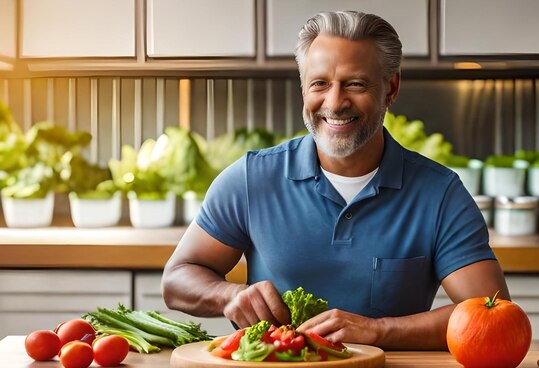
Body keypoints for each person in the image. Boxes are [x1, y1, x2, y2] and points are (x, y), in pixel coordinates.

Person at [162, 10, 509, 350]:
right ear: (303, 88)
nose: (335, 102)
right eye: (320, 84)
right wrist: (229, 295)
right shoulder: (251, 178)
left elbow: (492, 310)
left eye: (355, 84)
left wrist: (379, 331)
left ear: (391, 87)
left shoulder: (440, 193)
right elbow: (177, 280)